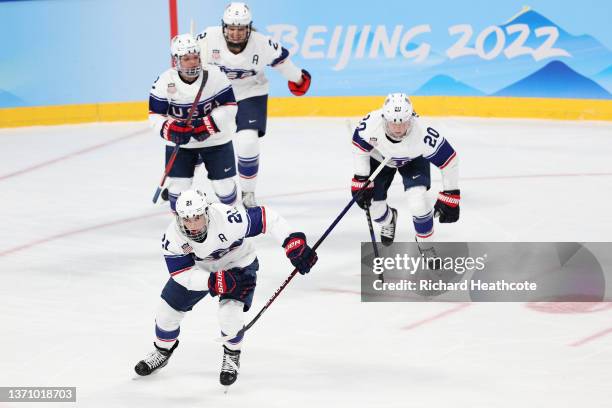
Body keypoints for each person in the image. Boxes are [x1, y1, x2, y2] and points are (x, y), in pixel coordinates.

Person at [134, 189, 318, 387]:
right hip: (201, 270)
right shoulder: (173, 237)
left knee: (229, 316)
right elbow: (181, 274)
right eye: (187, 219)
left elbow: (268, 218)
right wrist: (214, 281)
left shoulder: (228, 218)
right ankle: (162, 351)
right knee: (166, 313)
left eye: (197, 217)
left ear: (206, 212)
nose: (193, 225)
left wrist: (291, 242)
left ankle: (232, 355)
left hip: (238, 264)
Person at [196, 2, 312, 207]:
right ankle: (176, 179)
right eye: (231, 28)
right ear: (223, 27)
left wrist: (298, 79)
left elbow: (283, 63)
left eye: (241, 29)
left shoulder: (262, 44)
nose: (236, 34)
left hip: (250, 93)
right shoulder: (207, 38)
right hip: (217, 96)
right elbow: (187, 62)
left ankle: (248, 193)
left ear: (249, 28)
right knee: (197, 140)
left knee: (247, 141)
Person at [350, 93, 460, 254]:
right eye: (393, 123)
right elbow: (359, 148)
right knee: (374, 207)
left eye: (403, 123)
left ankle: (426, 246)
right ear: (384, 118)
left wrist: (451, 193)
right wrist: (361, 177)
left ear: (412, 117)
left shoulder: (423, 134)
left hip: (412, 160)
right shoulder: (370, 124)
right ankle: (389, 220)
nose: (399, 129)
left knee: (418, 201)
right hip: (380, 159)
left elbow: (450, 161)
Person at [149, 33, 239, 211]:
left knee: (224, 186)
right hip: (182, 145)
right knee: (178, 187)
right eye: (186, 58)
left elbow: (230, 106)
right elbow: (155, 115)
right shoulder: (164, 81)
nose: (192, 62)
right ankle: (180, 227)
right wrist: (171, 129)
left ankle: (234, 220)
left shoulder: (215, 75)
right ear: (176, 60)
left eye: (195, 57)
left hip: (216, 140)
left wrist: (208, 125)